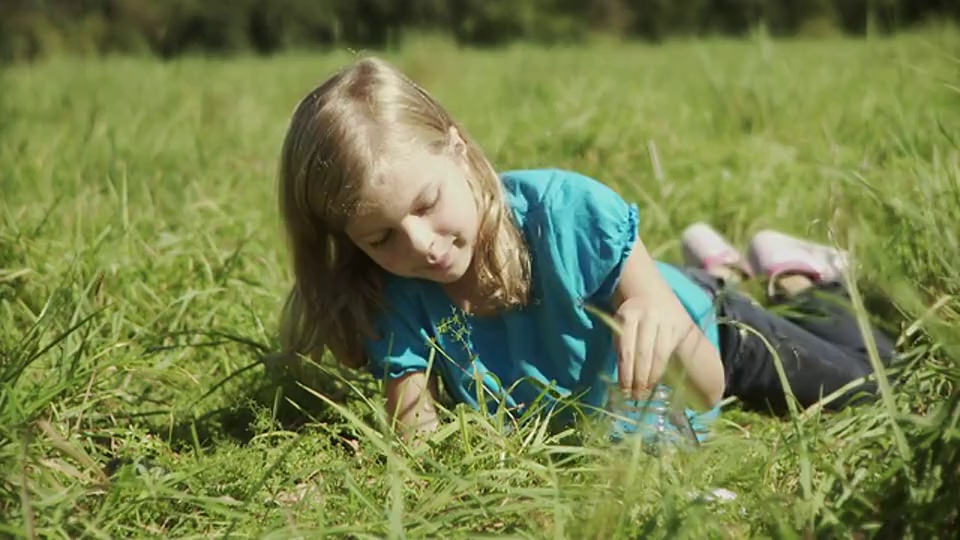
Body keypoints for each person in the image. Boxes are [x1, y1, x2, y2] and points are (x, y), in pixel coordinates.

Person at [273, 56, 897, 445]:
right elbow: (416, 437)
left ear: (457, 149)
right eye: (380, 237)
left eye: (427, 204)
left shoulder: (570, 213)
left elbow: (707, 390)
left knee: (880, 380)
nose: (421, 245)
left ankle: (801, 276)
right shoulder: (391, 292)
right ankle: (725, 259)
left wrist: (664, 322)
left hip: (715, 331)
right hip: (645, 360)